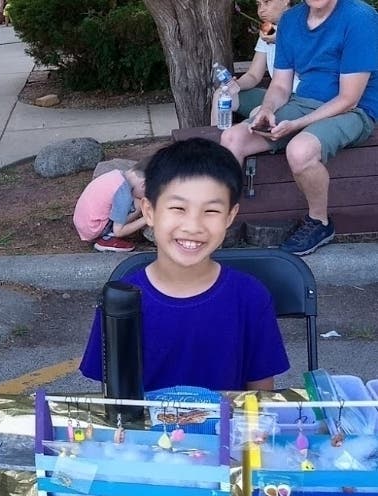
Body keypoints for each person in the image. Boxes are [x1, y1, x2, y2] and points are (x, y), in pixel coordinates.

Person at [79, 138, 290, 392]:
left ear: (230, 216)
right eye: (178, 208)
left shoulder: (251, 297)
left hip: (228, 420)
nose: (193, 226)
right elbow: (114, 397)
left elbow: (261, 399)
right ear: (149, 212)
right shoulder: (119, 302)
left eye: (211, 211)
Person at [221, 0, 378, 256]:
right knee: (232, 138)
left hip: (354, 110)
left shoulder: (360, 17)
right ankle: (220, 217)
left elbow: (348, 99)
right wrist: (267, 109)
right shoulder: (291, 20)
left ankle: (319, 222)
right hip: (303, 102)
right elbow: (281, 85)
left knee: (300, 150)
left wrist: (296, 125)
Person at [210, 0, 298, 125]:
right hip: (275, 95)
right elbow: (254, 75)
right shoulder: (268, 30)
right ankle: (214, 137)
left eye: (266, 2)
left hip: (300, 99)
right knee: (221, 95)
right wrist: (237, 84)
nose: (261, 10)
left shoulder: (302, 28)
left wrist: (281, 40)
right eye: (258, 4)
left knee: (257, 115)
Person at [72, 160, 148, 253]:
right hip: (93, 228)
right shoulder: (123, 195)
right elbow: (118, 232)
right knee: (139, 202)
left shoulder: (117, 175)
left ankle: (113, 227)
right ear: (143, 185)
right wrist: (146, 219)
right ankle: (107, 239)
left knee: (138, 200)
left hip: (83, 221)